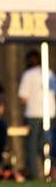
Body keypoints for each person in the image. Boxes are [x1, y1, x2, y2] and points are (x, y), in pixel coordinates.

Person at [18, 50, 55, 179]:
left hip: (33, 114)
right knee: (47, 143)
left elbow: (22, 97)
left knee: (33, 145)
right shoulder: (49, 73)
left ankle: (35, 174)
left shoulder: (28, 74)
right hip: (49, 113)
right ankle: (50, 172)